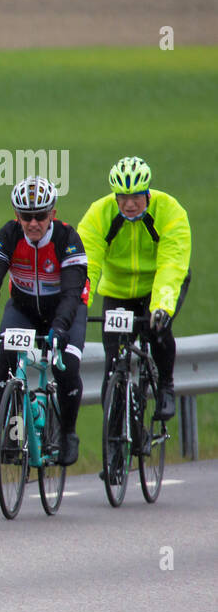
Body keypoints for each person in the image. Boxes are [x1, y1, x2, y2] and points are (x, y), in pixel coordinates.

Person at [0, 176, 88, 466]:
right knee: (5, 364)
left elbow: (73, 291)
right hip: (24, 308)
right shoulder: (9, 236)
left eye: (40, 215)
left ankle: (67, 433)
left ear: (53, 213)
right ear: (17, 216)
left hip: (65, 310)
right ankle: (15, 431)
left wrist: (60, 326)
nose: (33, 223)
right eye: (26, 216)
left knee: (67, 366)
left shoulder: (66, 238)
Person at [76, 156, 191, 422]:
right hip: (118, 291)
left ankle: (166, 386)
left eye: (136, 197)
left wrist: (161, 305)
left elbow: (172, 264)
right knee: (112, 364)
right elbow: (86, 265)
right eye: (122, 197)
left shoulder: (170, 211)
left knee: (157, 331)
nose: (129, 204)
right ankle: (114, 450)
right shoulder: (99, 213)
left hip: (159, 285)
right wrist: (80, 303)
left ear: (148, 193)